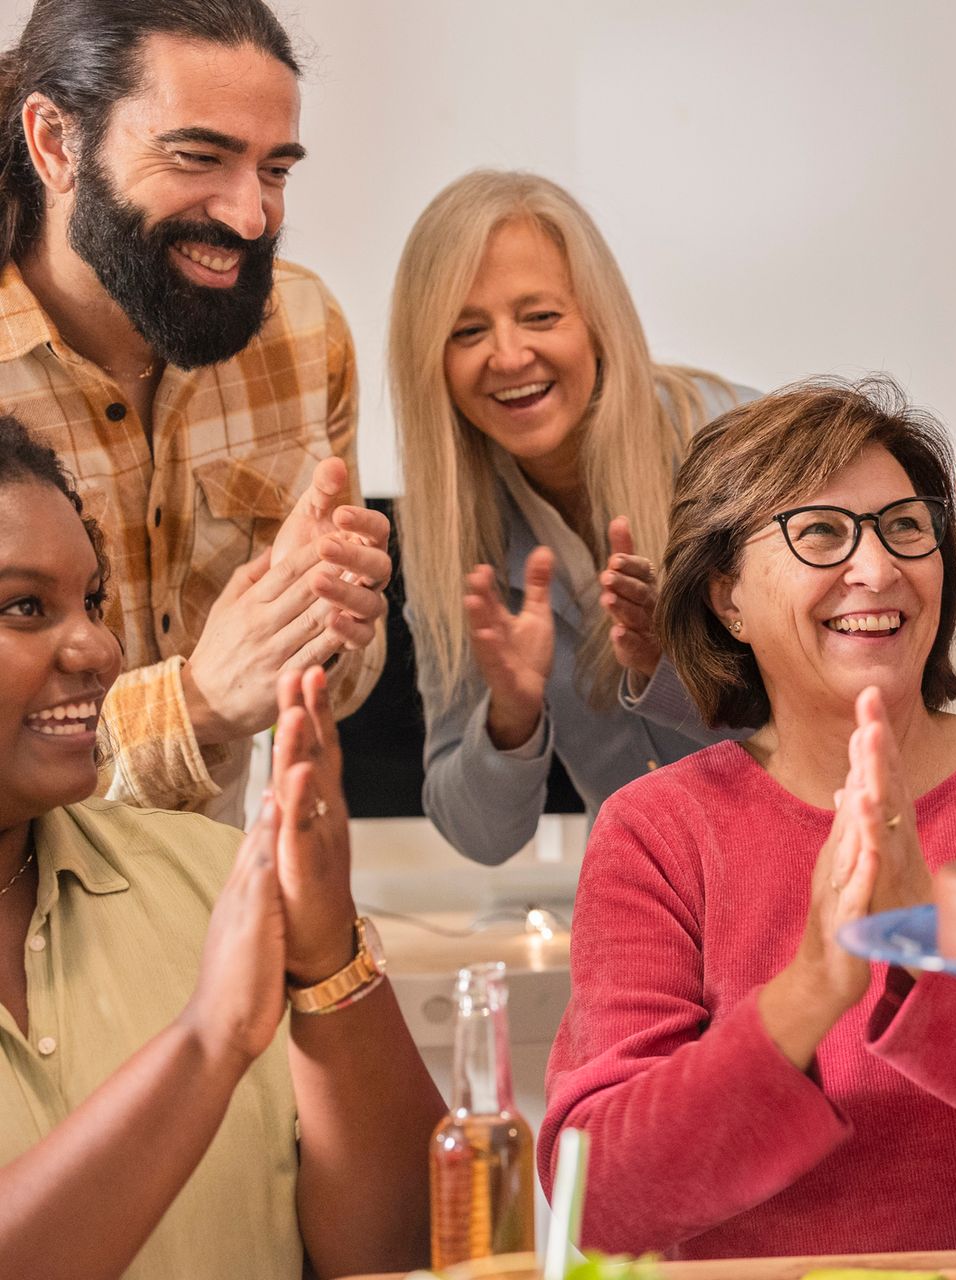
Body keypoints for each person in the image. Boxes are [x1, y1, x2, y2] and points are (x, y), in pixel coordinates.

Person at [542, 379, 956, 1260]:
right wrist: (815, 986)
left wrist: (933, 955)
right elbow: (603, 1199)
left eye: (905, 526)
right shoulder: (657, 832)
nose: (879, 567)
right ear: (724, 596)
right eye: (821, 531)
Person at [0, 416, 441, 1279]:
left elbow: (411, 1252)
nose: (99, 647)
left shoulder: (207, 877)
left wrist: (329, 968)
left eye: (91, 601)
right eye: (23, 606)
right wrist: (206, 1045)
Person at [0, 0, 391, 825]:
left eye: (276, 170)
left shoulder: (304, 330)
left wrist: (330, 622)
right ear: (54, 142)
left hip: (216, 920)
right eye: (198, 157)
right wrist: (197, 702)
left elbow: (333, 689)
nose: (249, 216)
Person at [389, 171, 745, 865]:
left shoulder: (741, 452)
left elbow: (834, 724)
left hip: (818, 900)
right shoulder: (458, 537)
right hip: (647, 919)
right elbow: (481, 837)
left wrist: (669, 672)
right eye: (467, 330)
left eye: (541, 316)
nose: (510, 355)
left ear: (597, 320)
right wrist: (510, 720)